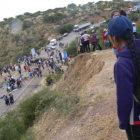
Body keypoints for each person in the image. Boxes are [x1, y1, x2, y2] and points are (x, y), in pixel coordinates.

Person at [108, 15, 140, 140]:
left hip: (136, 122)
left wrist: (122, 123)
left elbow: (124, 100)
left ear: (114, 39)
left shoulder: (122, 64)